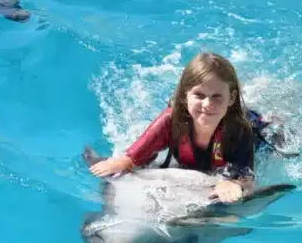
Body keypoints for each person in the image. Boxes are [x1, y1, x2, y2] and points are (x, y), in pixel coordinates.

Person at [90, 52, 272, 203]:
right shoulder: (170, 121)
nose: (207, 104)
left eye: (217, 96)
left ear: (231, 99)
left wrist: (234, 183)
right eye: (199, 95)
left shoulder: (240, 130)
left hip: (259, 131)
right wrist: (122, 162)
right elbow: (132, 158)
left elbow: (246, 179)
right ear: (185, 96)